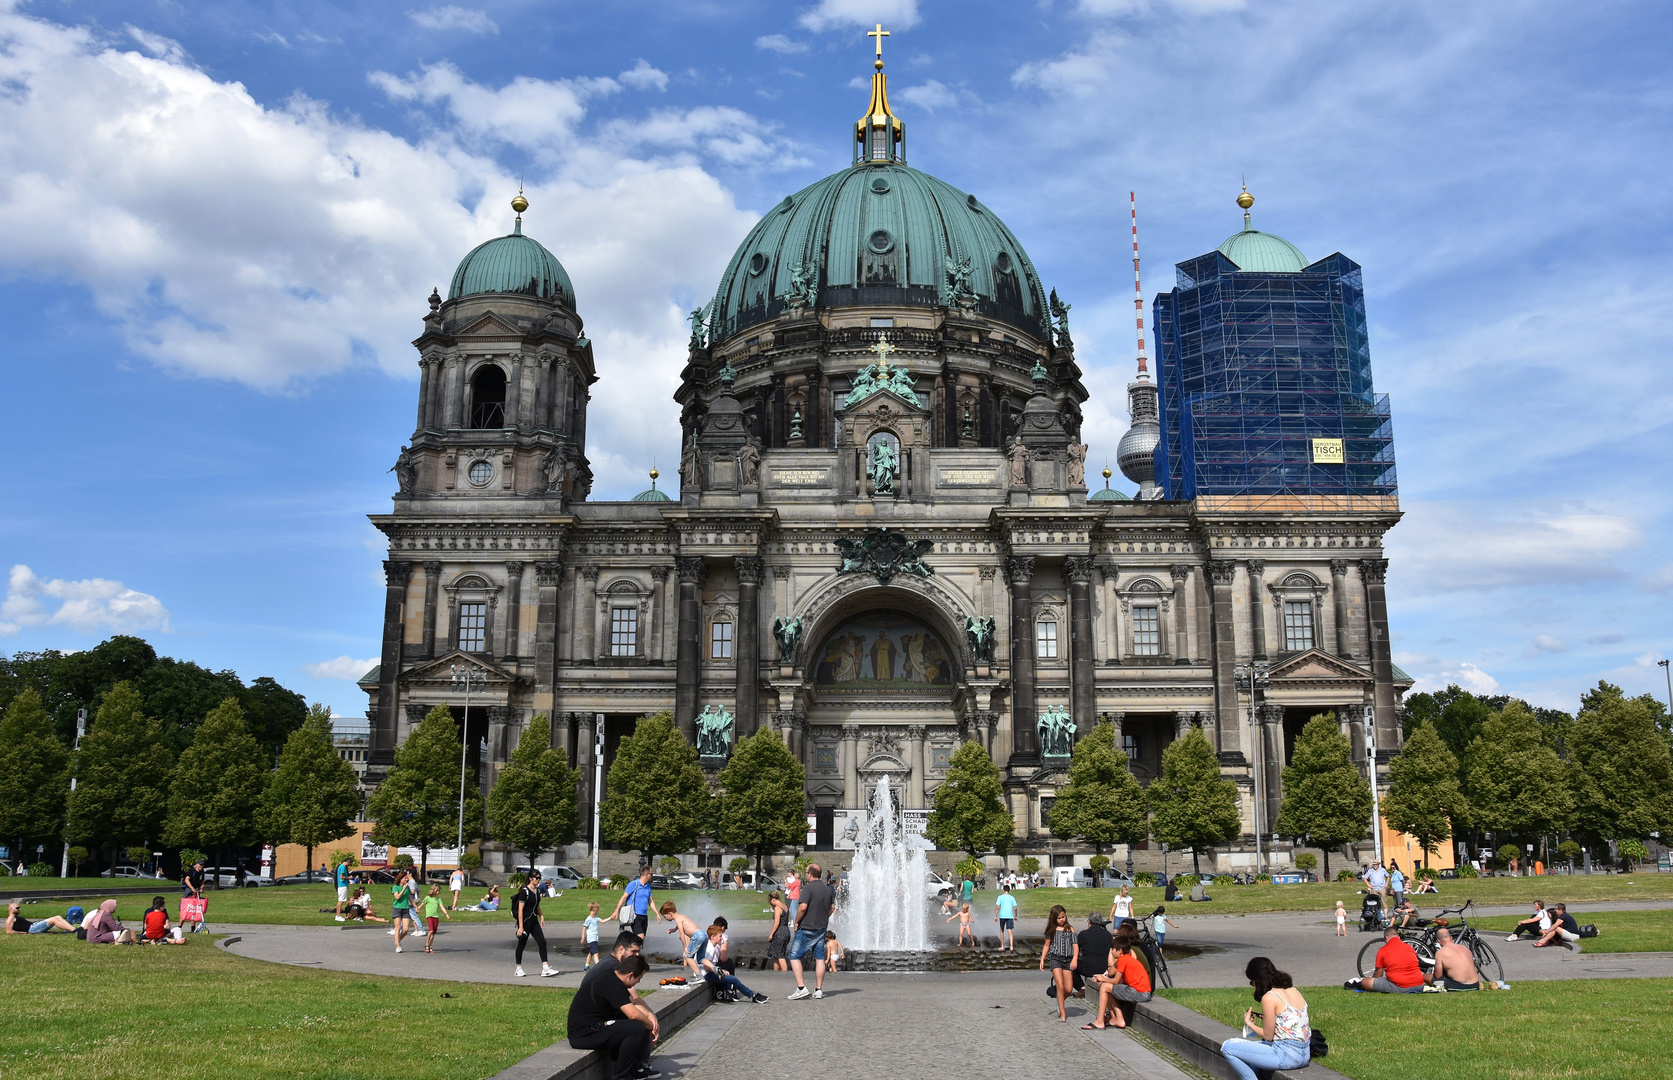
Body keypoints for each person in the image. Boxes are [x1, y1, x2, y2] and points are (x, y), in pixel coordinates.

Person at [567, 952, 658, 1080]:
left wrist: (649, 1016)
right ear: (631, 975)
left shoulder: (612, 978)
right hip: (583, 1033)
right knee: (637, 1027)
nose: (637, 983)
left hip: (595, 1027)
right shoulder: (611, 983)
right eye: (639, 979)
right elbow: (633, 1015)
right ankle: (620, 1077)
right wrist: (651, 1028)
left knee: (633, 1023)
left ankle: (633, 1070)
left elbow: (632, 1007)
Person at [1220, 957, 1311, 1080]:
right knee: (1252, 1053)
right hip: (1304, 1054)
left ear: (1257, 980)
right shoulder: (1294, 991)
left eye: (1251, 982)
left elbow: (1268, 1036)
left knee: (1228, 1047)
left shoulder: (1269, 997)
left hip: (1286, 1055)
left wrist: (1249, 1023)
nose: (1252, 985)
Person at [1086, 924, 1153, 1029]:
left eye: (1113, 949)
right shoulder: (1126, 958)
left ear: (1120, 951)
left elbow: (1116, 981)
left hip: (1140, 993)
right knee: (1106, 986)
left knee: (1104, 987)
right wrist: (1101, 977)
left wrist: (1103, 979)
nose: (1111, 951)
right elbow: (1111, 971)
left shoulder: (1123, 960)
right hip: (1142, 992)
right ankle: (1118, 1019)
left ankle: (1100, 1020)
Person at [787, 862, 835, 1000]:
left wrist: (796, 921)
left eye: (807, 873)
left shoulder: (808, 889)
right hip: (821, 928)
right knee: (819, 958)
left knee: (794, 956)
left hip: (807, 927)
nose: (806, 875)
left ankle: (801, 988)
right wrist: (824, 918)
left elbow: (802, 908)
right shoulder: (827, 890)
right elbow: (832, 908)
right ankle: (819, 989)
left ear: (810, 874)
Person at [697, 924, 769, 1003]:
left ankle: (729, 994)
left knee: (728, 976)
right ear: (713, 937)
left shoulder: (709, 946)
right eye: (720, 936)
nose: (721, 939)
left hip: (706, 973)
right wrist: (722, 971)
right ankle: (753, 996)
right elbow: (707, 967)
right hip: (707, 975)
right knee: (734, 979)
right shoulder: (710, 949)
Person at [1350, 926, 1424, 993]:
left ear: (1386, 937)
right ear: (1398, 937)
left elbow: (1378, 974)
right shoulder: (1409, 948)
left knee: (1365, 982)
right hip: (1419, 985)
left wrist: (1373, 980)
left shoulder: (1383, 950)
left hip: (1400, 986)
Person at [513, 870, 557, 977]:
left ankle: (545, 968)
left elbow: (537, 905)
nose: (538, 880)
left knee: (542, 942)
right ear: (530, 878)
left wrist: (541, 916)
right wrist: (521, 927)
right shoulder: (524, 891)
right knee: (522, 944)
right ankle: (518, 968)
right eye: (536, 878)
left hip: (534, 920)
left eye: (539, 878)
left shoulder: (536, 891)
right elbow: (520, 910)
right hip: (525, 922)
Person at [1039, 905, 1078, 1023]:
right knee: (1060, 985)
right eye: (1059, 918)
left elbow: (1075, 946)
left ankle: (1060, 1001)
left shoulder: (1070, 929)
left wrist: (1075, 959)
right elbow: (1047, 945)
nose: (1062, 920)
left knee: (1069, 988)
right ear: (1054, 918)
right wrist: (1042, 959)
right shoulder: (1051, 930)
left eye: (1064, 917)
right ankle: (1062, 1013)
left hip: (1068, 960)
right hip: (1056, 958)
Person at [660, 900, 706, 977]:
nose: (665, 918)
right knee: (701, 958)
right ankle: (714, 968)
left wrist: (685, 947)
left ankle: (699, 975)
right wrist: (674, 929)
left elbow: (681, 934)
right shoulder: (681, 916)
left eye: (665, 916)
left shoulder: (678, 919)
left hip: (697, 936)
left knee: (688, 956)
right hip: (703, 934)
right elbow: (682, 924)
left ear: (670, 914)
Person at [610, 866, 655, 941]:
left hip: (644, 916)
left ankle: (630, 948)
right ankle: (628, 947)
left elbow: (651, 901)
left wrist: (657, 914)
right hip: (635, 915)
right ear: (646, 874)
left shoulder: (648, 886)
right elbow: (623, 898)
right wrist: (616, 911)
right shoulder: (633, 884)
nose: (652, 876)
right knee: (640, 937)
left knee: (641, 940)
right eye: (651, 874)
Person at [1075, 912, 1114, 997]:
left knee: (1069, 963)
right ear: (1101, 922)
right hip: (1103, 969)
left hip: (1087, 969)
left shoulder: (1083, 934)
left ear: (1089, 922)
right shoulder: (1108, 935)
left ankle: (1081, 987)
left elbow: (1075, 950)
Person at [6, 901, 76, 934]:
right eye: (17, 908)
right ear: (11, 909)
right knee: (54, 919)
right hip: (32, 929)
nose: (19, 909)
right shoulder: (10, 918)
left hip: (34, 926)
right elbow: (9, 931)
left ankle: (74, 929)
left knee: (57, 917)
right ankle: (75, 931)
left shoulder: (15, 917)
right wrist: (24, 933)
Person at [390, 870, 417, 954]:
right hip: (397, 908)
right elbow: (397, 897)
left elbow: (410, 898)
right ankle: (398, 946)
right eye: (405, 878)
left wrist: (416, 907)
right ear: (401, 879)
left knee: (406, 929)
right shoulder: (395, 887)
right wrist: (403, 889)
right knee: (398, 928)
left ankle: (398, 940)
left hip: (405, 909)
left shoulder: (407, 887)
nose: (406, 880)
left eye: (407, 878)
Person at [420, 884, 450, 953]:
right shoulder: (427, 898)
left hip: (436, 916)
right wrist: (417, 909)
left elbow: (442, 907)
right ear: (434, 890)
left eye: (439, 891)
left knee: (433, 933)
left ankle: (430, 946)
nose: (438, 892)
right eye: (437, 891)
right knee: (431, 930)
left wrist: (446, 914)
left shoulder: (438, 899)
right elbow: (422, 904)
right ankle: (427, 945)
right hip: (429, 916)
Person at [766, 890, 791, 971]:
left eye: (771, 903)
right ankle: (776, 973)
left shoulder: (777, 908)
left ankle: (785, 974)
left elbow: (776, 922)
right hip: (786, 931)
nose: (771, 905)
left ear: (773, 900)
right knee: (776, 954)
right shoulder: (785, 906)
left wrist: (771, 934)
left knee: (780, 955)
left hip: (779, 932)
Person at [995, 884, 1018, 952]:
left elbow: (998, 907)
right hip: (1010, 916)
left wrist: (995, 915)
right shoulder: (1012, 898)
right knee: (1010, 931)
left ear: (1003, 890)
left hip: (1002, 916)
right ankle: (1011, 947)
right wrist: (1016, 915)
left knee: (1002, 930)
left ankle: (1002, 946)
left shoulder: (1000, 897)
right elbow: (1015, 908)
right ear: (1009, 890)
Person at [583, 900, 602, 968]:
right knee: (596, 953)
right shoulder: (589, 919)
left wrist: (611, 917)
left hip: (595, 937)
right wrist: (583, 937)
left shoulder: (595, 918)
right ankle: (599, 967)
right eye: (597, 910)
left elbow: (602, 921)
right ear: (594, 910)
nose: (598, 911)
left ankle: (586, 966)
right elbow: (584, 927)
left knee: (591, 953)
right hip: (591, 938)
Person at [784, 866, 802, 930]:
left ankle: (795, 922)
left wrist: (785, 880)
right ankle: (794, 922)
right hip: (792, 896)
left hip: (795, 897)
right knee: (791, 909)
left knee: (793, 910)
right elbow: (789, 886)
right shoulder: (796, 881)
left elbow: (789, 886)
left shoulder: (797, 882)